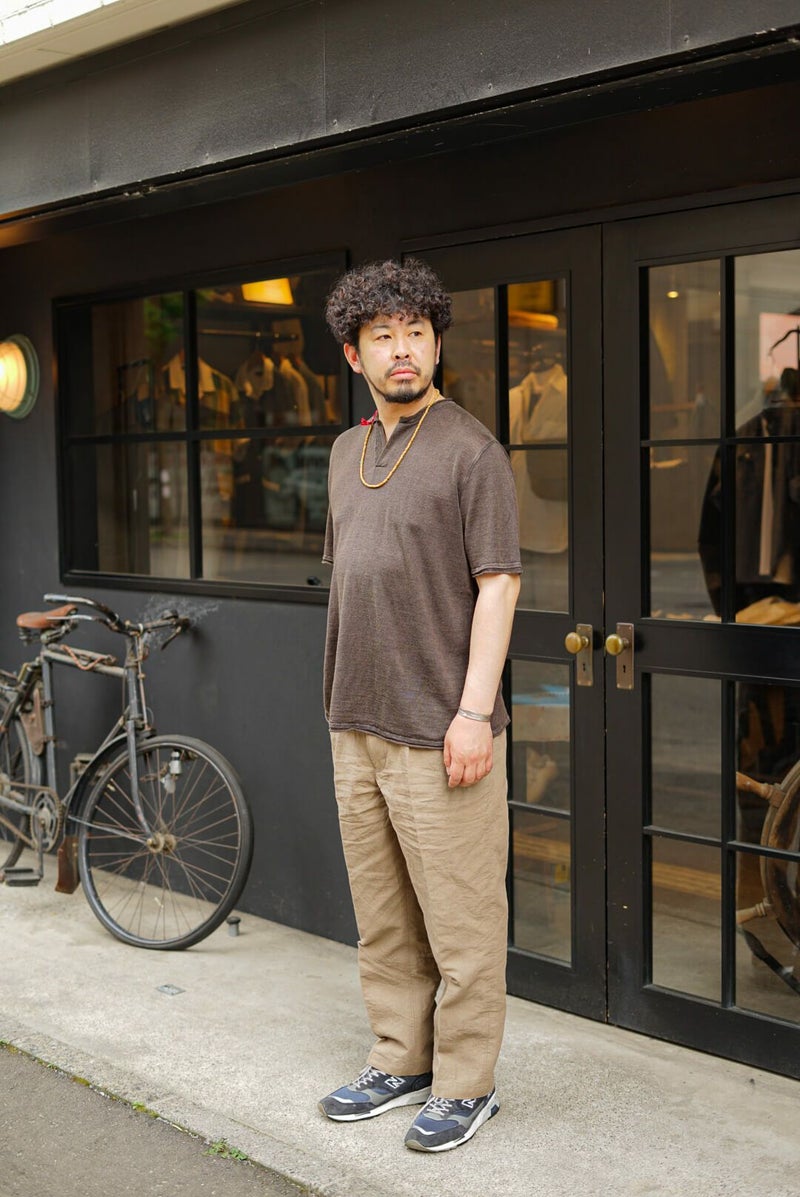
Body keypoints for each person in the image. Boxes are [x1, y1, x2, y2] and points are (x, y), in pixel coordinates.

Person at [319, 258, 521, 1153]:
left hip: (442, 728)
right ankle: (400, 1058)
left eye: (415, 333)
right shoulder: (345, 452)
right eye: (383, 336)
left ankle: (467, 1083)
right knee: (384, 914)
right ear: (354, 354)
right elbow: (354, 578)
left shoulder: (472, 450)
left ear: (436, 345)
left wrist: (474, 713)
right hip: (355, 721)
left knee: (463, 919)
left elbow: (499, 585)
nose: (402, 349)